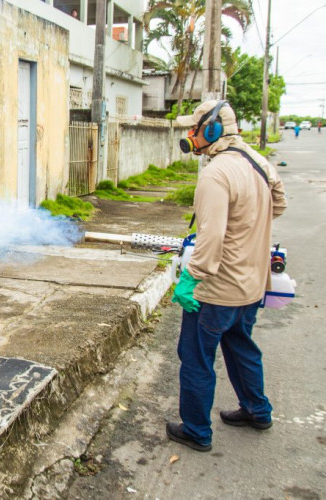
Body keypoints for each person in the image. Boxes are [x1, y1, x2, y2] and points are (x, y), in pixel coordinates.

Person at [169, 100, 287, 452]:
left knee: (196, 357)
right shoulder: (259, 162)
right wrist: (249, 230)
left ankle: (196, 431)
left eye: (194, 128)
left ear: (212, 129)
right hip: (252, 284)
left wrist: (192, 278)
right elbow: (278, 204)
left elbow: (212, 234)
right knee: (241, 347)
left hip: (217, 289)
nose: (190, 135)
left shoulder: (216, 173)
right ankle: (257, 410)